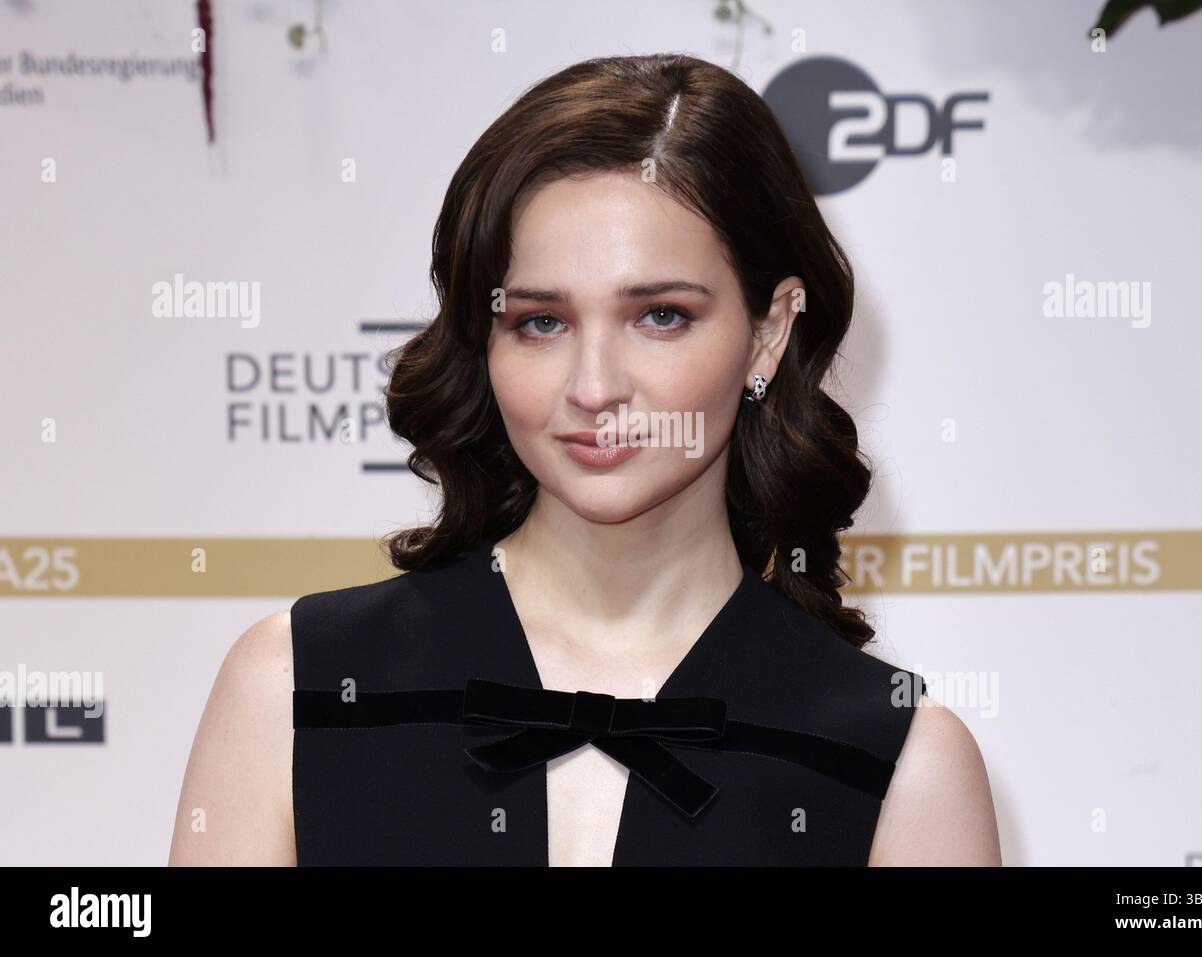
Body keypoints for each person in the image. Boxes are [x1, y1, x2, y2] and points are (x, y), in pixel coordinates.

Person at [169, 52, 1000, 867]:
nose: (594, 387)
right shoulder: (293, 687)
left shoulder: (902, 766)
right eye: (541, 322)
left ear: (770, 331)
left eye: (661, 316)